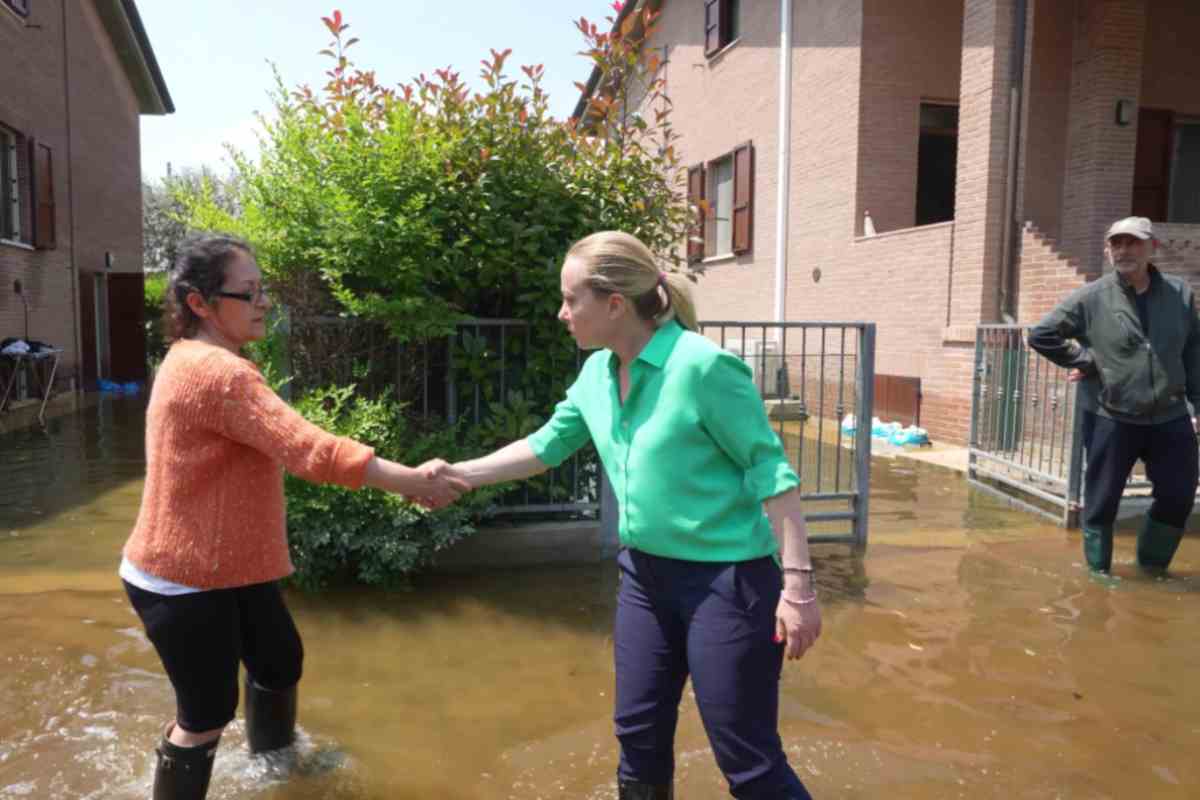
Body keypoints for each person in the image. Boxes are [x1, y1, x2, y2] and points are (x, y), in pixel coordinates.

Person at [428, 231, 822, 799]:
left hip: (729, 583)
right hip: (645, 580)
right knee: (638, 743)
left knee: (747, 758)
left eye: (570, 299)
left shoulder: (703, 368)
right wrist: (458, 474)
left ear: (614, 304)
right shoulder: (596, 375)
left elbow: (774, 476)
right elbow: (545, 447)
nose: (561, 313)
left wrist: (799, 588)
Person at [119, 234, 468, 800]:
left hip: (226, 563)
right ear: (199, 303)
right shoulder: (220, 373)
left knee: (279, 660)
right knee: (206, 713)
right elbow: (310, 449)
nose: (263, 303)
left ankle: (275, 769)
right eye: (247, 293)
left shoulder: (198, 360)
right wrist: (407, 481)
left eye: (263, 291)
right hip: (182, 575)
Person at [1029, 216, 1200, 573]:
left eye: (1132, 243)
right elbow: (1042, 334)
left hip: (1170, 415)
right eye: (1116, 244)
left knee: (1179, 495)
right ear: (1108, 252)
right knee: (1103, 501)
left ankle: (1152, 569)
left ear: (1152, 247)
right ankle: (1099, 575)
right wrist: (1086, 361)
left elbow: (1193, 352)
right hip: (1111, 415)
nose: (1124, 251)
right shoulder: (1092, 297)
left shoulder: (1180, 294)